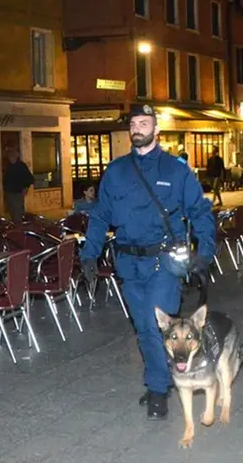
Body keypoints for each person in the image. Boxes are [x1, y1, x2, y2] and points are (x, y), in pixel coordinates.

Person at [80, 104, 216, 421]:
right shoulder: (115, 172)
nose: (138, 128)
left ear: (157, 129)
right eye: (134, 124)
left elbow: (200, 212)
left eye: (145, 123)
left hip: (163, 264)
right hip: (128, 263)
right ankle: (164, 378)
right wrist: (89, 253)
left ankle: (158, 390)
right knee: (143, 328)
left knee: (158, 331)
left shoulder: (176, 170)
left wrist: (205, 254)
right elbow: (100, 216)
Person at [3, 146, 35, 223]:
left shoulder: (21, 166)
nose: (9, 157)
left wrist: (26, 188)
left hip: (17, 193)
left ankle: (19, 230)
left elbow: (30, 179)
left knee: (17, 214)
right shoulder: (9, 166)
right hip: (10, 193)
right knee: (12, 213)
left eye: (11, 155)